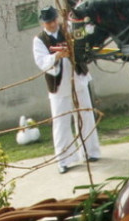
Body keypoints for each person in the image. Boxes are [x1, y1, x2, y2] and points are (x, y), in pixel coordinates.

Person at [32, 5, 101, 174]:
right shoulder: (39, 40)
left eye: (53, 20)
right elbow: (42, 61)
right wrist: (56, 56)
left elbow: (82, 38)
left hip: (78, 77)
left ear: (57, 18)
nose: (52, 24)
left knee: (86, 115)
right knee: (61, 122)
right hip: (59, 84)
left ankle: (90, 152)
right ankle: (64, 160)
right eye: (48, 22)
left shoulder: (68, 29)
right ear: (43, 23)